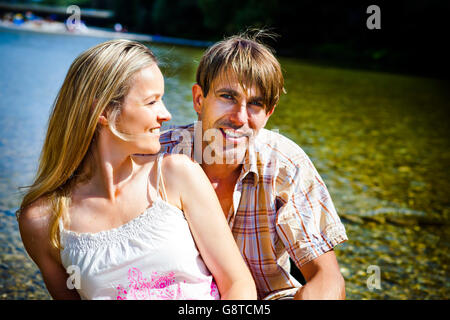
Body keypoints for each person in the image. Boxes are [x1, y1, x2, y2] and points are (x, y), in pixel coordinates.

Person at [17, 39, 256, 300]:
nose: (166, 114)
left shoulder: (176, 176)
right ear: (105, 110)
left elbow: (238, 285)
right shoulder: (42, 221)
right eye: (152, 102)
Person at [160, 31, 348, 300]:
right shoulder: (159, 156)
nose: (240, 118)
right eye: (228, 97)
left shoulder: (286, 165)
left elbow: (327, 278)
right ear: (199, 99)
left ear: (269, 113)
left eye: (255, 104)